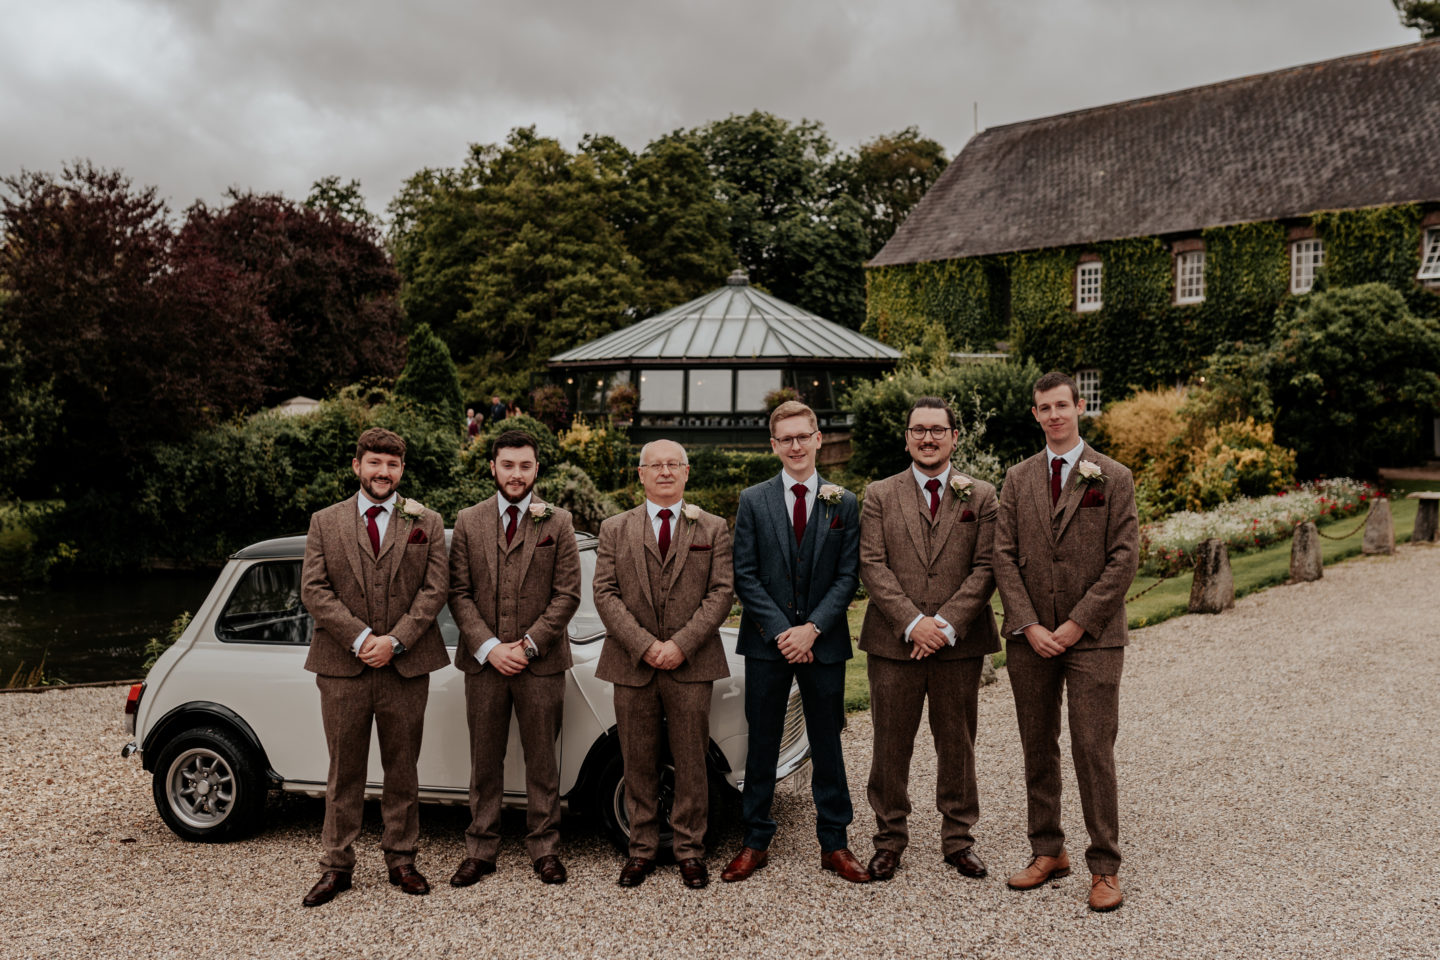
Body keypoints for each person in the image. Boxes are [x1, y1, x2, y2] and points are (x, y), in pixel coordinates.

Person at [992, 371, 1138, 913]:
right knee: (1037, 744)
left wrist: (1076, 623)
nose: (1053, 415)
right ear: (1035, 414)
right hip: (1031, 638)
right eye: (1043, 408)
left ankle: (1104, 866)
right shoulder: (1017, 478)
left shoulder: (1113, 476)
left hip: (1094, 638)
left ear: (1079, 407)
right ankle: (1047, 850)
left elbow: (1125, 558)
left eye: (1062, 406)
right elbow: (1002, 555)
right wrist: (1028, 624)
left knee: (1092, 748)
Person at [298, 427, 450, 907]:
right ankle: (336, 866)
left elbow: (434, 590)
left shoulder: (427, 520)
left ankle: (402, 859)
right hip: (343, 667)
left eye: (392, 464)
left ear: (401, 470)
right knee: (344, 771)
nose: (382, 472)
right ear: (357, 466)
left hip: (405, 667)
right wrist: (363, 639)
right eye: (374, 462)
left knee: (402, 768)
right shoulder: (325, 521)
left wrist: (397, 641)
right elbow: (315, 590)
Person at [720, 400, 869, 884]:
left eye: (803, 435)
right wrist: (785, 631)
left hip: (823, 643)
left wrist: (813, 629)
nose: (796, 445)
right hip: (768, 643)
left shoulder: (843, 501)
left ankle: (836, 844)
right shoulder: (753, 500)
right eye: (786, 438)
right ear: (774, 446)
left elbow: (849, 576)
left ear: (818, 438)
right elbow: (744, 574)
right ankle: (756, 840)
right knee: (761, 742)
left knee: (827, 743)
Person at [857, 397, 1000, 882]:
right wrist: (912, 622)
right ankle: (889, 839)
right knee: (890, 745)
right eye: (918, 430)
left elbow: (986, 567)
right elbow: (872, 564)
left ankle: (958, 839)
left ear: (954, 437)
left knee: (957, 743)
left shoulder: (980, 495)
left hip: (959, 644)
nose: (928, 438)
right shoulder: (879, 494)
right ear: (907, 438)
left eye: (938, 430)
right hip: (893, 643)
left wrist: (943, 626)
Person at [592, 439, 734, 889]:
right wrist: (645, 645)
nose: (666, 472)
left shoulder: (712, 527)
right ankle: (642, 848)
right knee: (637, 758)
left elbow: (721, 593)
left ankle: (691, 849)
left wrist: (681, 645)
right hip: (631, 663)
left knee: (692, 758)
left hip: (691, 663)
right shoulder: (614, 528)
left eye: (674, 464)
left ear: (687, 472)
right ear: (641, 474)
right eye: (656, 465)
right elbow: (605, 593)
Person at [447, 430, 581, 887]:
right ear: (493, 467)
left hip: (540, 664)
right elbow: (459, 594)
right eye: (508, 465)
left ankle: (545, 849)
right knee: (485, 761)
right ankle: (481, 849)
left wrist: (526, 646)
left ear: (536, 469)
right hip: (483, 665)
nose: (516, 474)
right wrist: (488, 647)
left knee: (542, 761)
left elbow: (567, 595)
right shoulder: (468, 520)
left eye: (525, 466)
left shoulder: (558, 522)